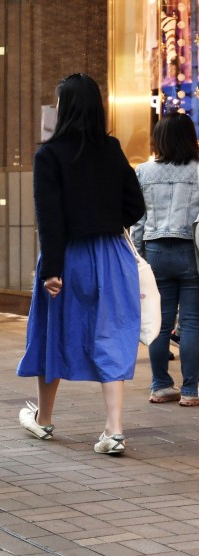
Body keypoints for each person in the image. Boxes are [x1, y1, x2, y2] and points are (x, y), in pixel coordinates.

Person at [16, 73, 146, 455]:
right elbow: (135, 206)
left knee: (52, 332)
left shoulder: (49, 154)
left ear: (65, 108)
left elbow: (49, 218)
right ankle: (114, 429)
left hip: (68, 256)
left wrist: (52, 269)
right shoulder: (112, 148)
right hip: (112, 256)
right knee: (113, 333)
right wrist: (107, 218)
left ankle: (44, 419)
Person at [130, 112, 199, 407]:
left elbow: (138, 220)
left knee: (159, 322)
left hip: (156, 251)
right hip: (190, 253)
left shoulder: (143, 172)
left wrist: (138, 256)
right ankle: (191, 390)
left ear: (159, 139)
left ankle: (160, 385)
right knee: (193, 322)